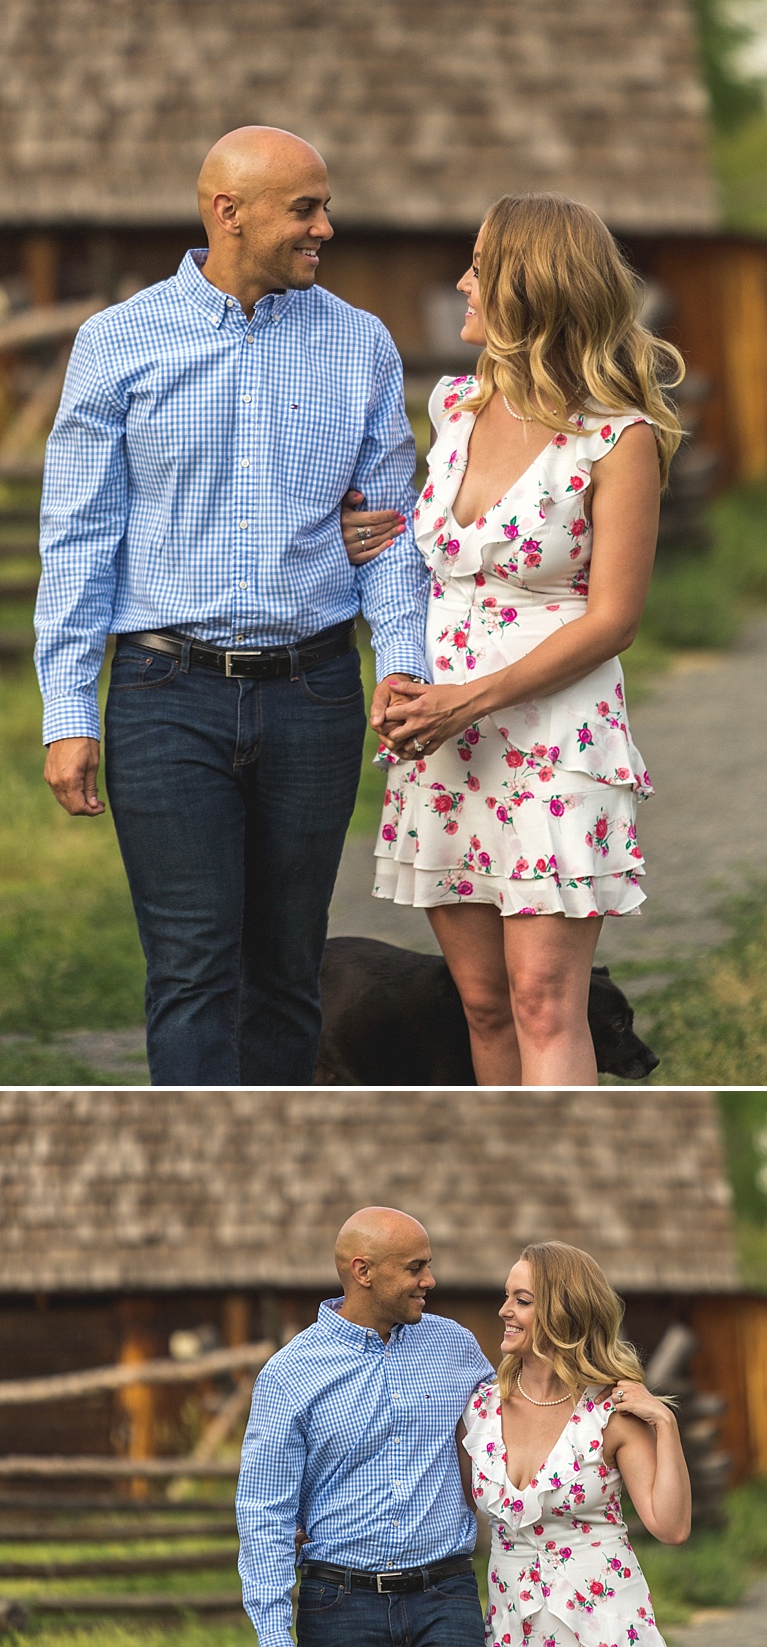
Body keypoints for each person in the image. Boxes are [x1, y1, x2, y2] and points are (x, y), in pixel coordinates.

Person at [35, 127, 431, 1085]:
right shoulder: (117, 344)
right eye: (305, 209)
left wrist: (405, 662)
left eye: (324, 206)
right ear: (229, 212)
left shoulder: (361, 343)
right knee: (192, 973)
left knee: (288, 972)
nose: (325, 227)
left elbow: (388, 530)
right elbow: (79, 538)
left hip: (318, 694)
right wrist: (67, 712)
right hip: (167, 694)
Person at [339, 193, 682, 1085]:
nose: (461, 281)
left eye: (480, 267)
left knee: (541, 1000)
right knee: (483, 1005)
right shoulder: (456, 405)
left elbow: (615, 619)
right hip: (443, 737)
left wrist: (468, 700)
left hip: (550, 736)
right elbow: (431, 556)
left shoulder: (619, 438)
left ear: (533, 288)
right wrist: (402, 653)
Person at [237, 1209, 492, 1647]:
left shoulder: (455, 1345)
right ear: (363, 1272)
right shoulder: (289, 1374)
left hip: (447, 1596)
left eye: (427, 1265)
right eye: (416, 1267)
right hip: (340, 1604)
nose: (429, 1279)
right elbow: (264, 1512)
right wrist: (274, 1634)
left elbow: (519, 1416)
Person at [462, 1241, 690, 1647]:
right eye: (506, 1296)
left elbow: (670, 1527)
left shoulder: (610, 1413)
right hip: (512, 1625)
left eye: (523, 1300)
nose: (504, 1310)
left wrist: (665, 1422)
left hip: (604, 1624)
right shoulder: (481, 1407)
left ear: (561, 1312)